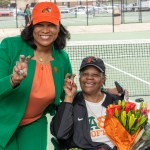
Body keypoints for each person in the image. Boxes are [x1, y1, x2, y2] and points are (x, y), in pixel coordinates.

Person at [0, 2, 72, 150]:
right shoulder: (9, 46)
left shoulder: (62, 57)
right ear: (31, 25)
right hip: (3, 121)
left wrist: (101, 92)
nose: (45, 30)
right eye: (40, 24)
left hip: (34, 122)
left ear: (59, 27)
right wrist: (13, 80)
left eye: (51, 25)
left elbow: (67, 92)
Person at [50, 56, 122, 150]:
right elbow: (60, 133)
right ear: (80, 78)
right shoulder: (71, 103)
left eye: (95, 75)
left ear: (103, 79)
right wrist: (68, 97)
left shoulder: (116, 102)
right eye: (84, 74)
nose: (89, 78)